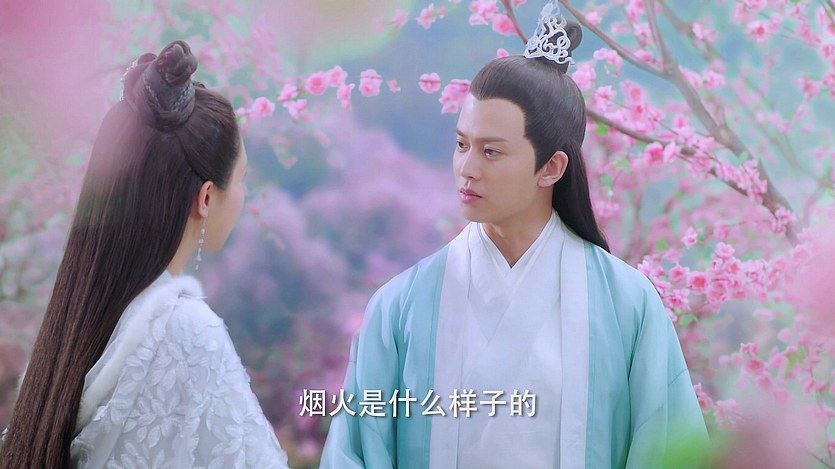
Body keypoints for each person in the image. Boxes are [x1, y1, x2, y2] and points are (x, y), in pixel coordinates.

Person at [320, 3, 708, 468]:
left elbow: (670, 450)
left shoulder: (627, 304)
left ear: (551, 167)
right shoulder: (400, 306)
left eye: (491, 152)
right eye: (461, 144)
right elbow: (355, 452)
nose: (467, 168)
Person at [0, 41, 289, 468]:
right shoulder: (189, 331)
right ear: (206, 197)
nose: (244, 193)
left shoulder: (74, 324)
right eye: (241, 177)